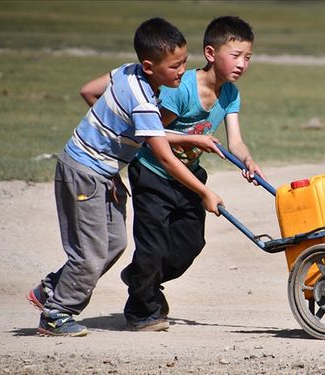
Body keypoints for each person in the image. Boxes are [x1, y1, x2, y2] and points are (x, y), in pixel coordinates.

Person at [26, 17, 223, 337]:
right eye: (175, 66)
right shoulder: (144, 101)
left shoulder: (125, 72)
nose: (182, 71)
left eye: (185, 62)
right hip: (83, 174)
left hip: (101, 171)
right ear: (149, 66)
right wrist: (205, 192)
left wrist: (111, 139)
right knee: (89, 253)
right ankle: (57, 312)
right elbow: (163, 156)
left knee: (114, 244)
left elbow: (88, 91)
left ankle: (51, 287)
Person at [121, 16, 265, 331]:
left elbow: (235, 141)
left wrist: (248, 161)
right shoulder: (181, 90)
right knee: (153, 247)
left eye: (248, 57)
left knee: (191, 245)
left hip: (189, 177)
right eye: (236, 55)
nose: (242, 64)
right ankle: (141, 309)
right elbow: (150, 132)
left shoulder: (230, 94)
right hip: (153, 173)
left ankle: (140, 278)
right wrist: (193, 138)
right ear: (211, 54)